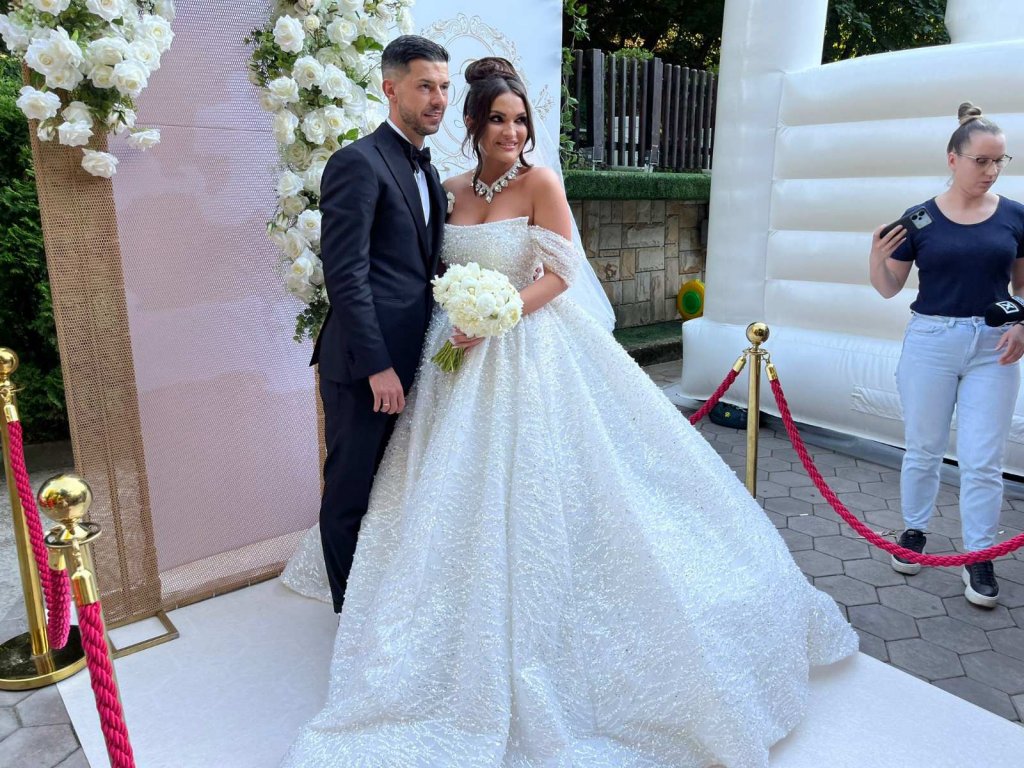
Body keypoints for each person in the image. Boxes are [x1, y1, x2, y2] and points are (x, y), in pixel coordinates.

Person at [281, 58, 856, 768]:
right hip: (451, 356)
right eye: (498, 119)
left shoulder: (542, 184)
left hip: (528, 348)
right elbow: (418, 270)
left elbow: (562, 273)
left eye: (521, 120)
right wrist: (456, 320)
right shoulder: (446, 188)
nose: (512, 132)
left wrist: (500, 313)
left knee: (555, 484)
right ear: (474, 123)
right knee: (435, 485)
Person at [308, 35, 450, 614]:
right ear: (391, 89)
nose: (438, 98)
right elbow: (345, 275)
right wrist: (378, 367)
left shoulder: (428, 170)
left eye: (444, 87)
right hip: (364, 368)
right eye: (425, 86)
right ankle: (350, 614)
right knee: (350, 492)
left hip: (415, 360)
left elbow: (421, 268)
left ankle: (384, 600)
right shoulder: (357, 163)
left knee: (394, 487)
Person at [869, 102, 1024, 608]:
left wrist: (1022, 323)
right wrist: (876, 257)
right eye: (982, 160)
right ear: (953, 159)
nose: (991, 170)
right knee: (923, 447)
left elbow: (1023, 285)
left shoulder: (1015, 215)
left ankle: (978, 554)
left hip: (993, 346)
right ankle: (914, 532)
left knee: (983, 460)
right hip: (932, 342)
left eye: (999, 161)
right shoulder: (919, 218)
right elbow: (889, 287)